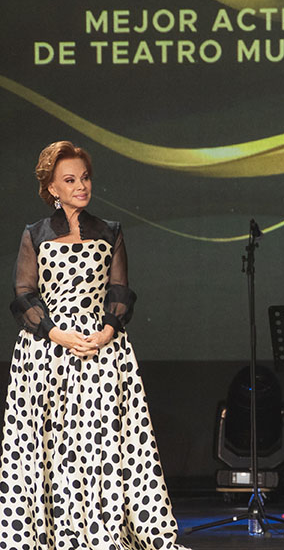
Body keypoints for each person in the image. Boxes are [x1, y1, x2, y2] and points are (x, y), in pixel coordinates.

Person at [2, 141, 186, 549]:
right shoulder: (36, 234)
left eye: (85, 177)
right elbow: (24, 294)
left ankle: (104, 532)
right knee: (53, 446)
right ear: (52, 187)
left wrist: (106, 332)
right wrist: (56, 333)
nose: (81, 186)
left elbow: (120, 291)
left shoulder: (109, 231)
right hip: (48, 353)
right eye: (70, 180)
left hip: (101, 352)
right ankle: (54, 534)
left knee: (103, 447)